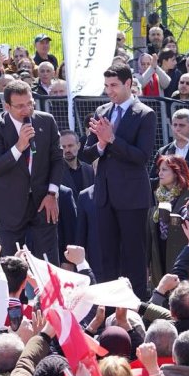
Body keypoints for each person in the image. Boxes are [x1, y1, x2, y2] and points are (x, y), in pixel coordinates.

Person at [80, 65, 155, 297]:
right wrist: (101, 144)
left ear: (128, 83)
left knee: (134, 255)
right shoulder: (101, 111)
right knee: (107, 256)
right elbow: (86, 154)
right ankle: (109, 307)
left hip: (132, 196)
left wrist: (112, 139)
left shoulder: (144, 113)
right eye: (106, 86)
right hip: (105, 195)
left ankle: (138, 306)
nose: (109, 91)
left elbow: (142, 156)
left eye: (114, 85)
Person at [0, 80, 64, 263]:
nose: (26, 110)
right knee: (13, 263)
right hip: (11, 204)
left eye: (29, 103)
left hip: (44, 201)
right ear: (7, 106)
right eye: (20, 106)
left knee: (48, 260)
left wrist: (52, 193)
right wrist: (19, 146)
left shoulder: (46, 121)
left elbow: (57, 159)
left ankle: (49, 292)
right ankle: (15, 293)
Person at [148, 156, 189, 286]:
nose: (159, 174)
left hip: (182, 260)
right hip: (160, 260)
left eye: (164, 170)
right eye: (159, 170)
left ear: (177, 173)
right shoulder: (157, 196)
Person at [59, 129, 94, 194]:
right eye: (63, 147)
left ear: (79, 146)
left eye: (70, 145)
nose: (67, 150)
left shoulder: (89, 170)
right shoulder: (55, 172)